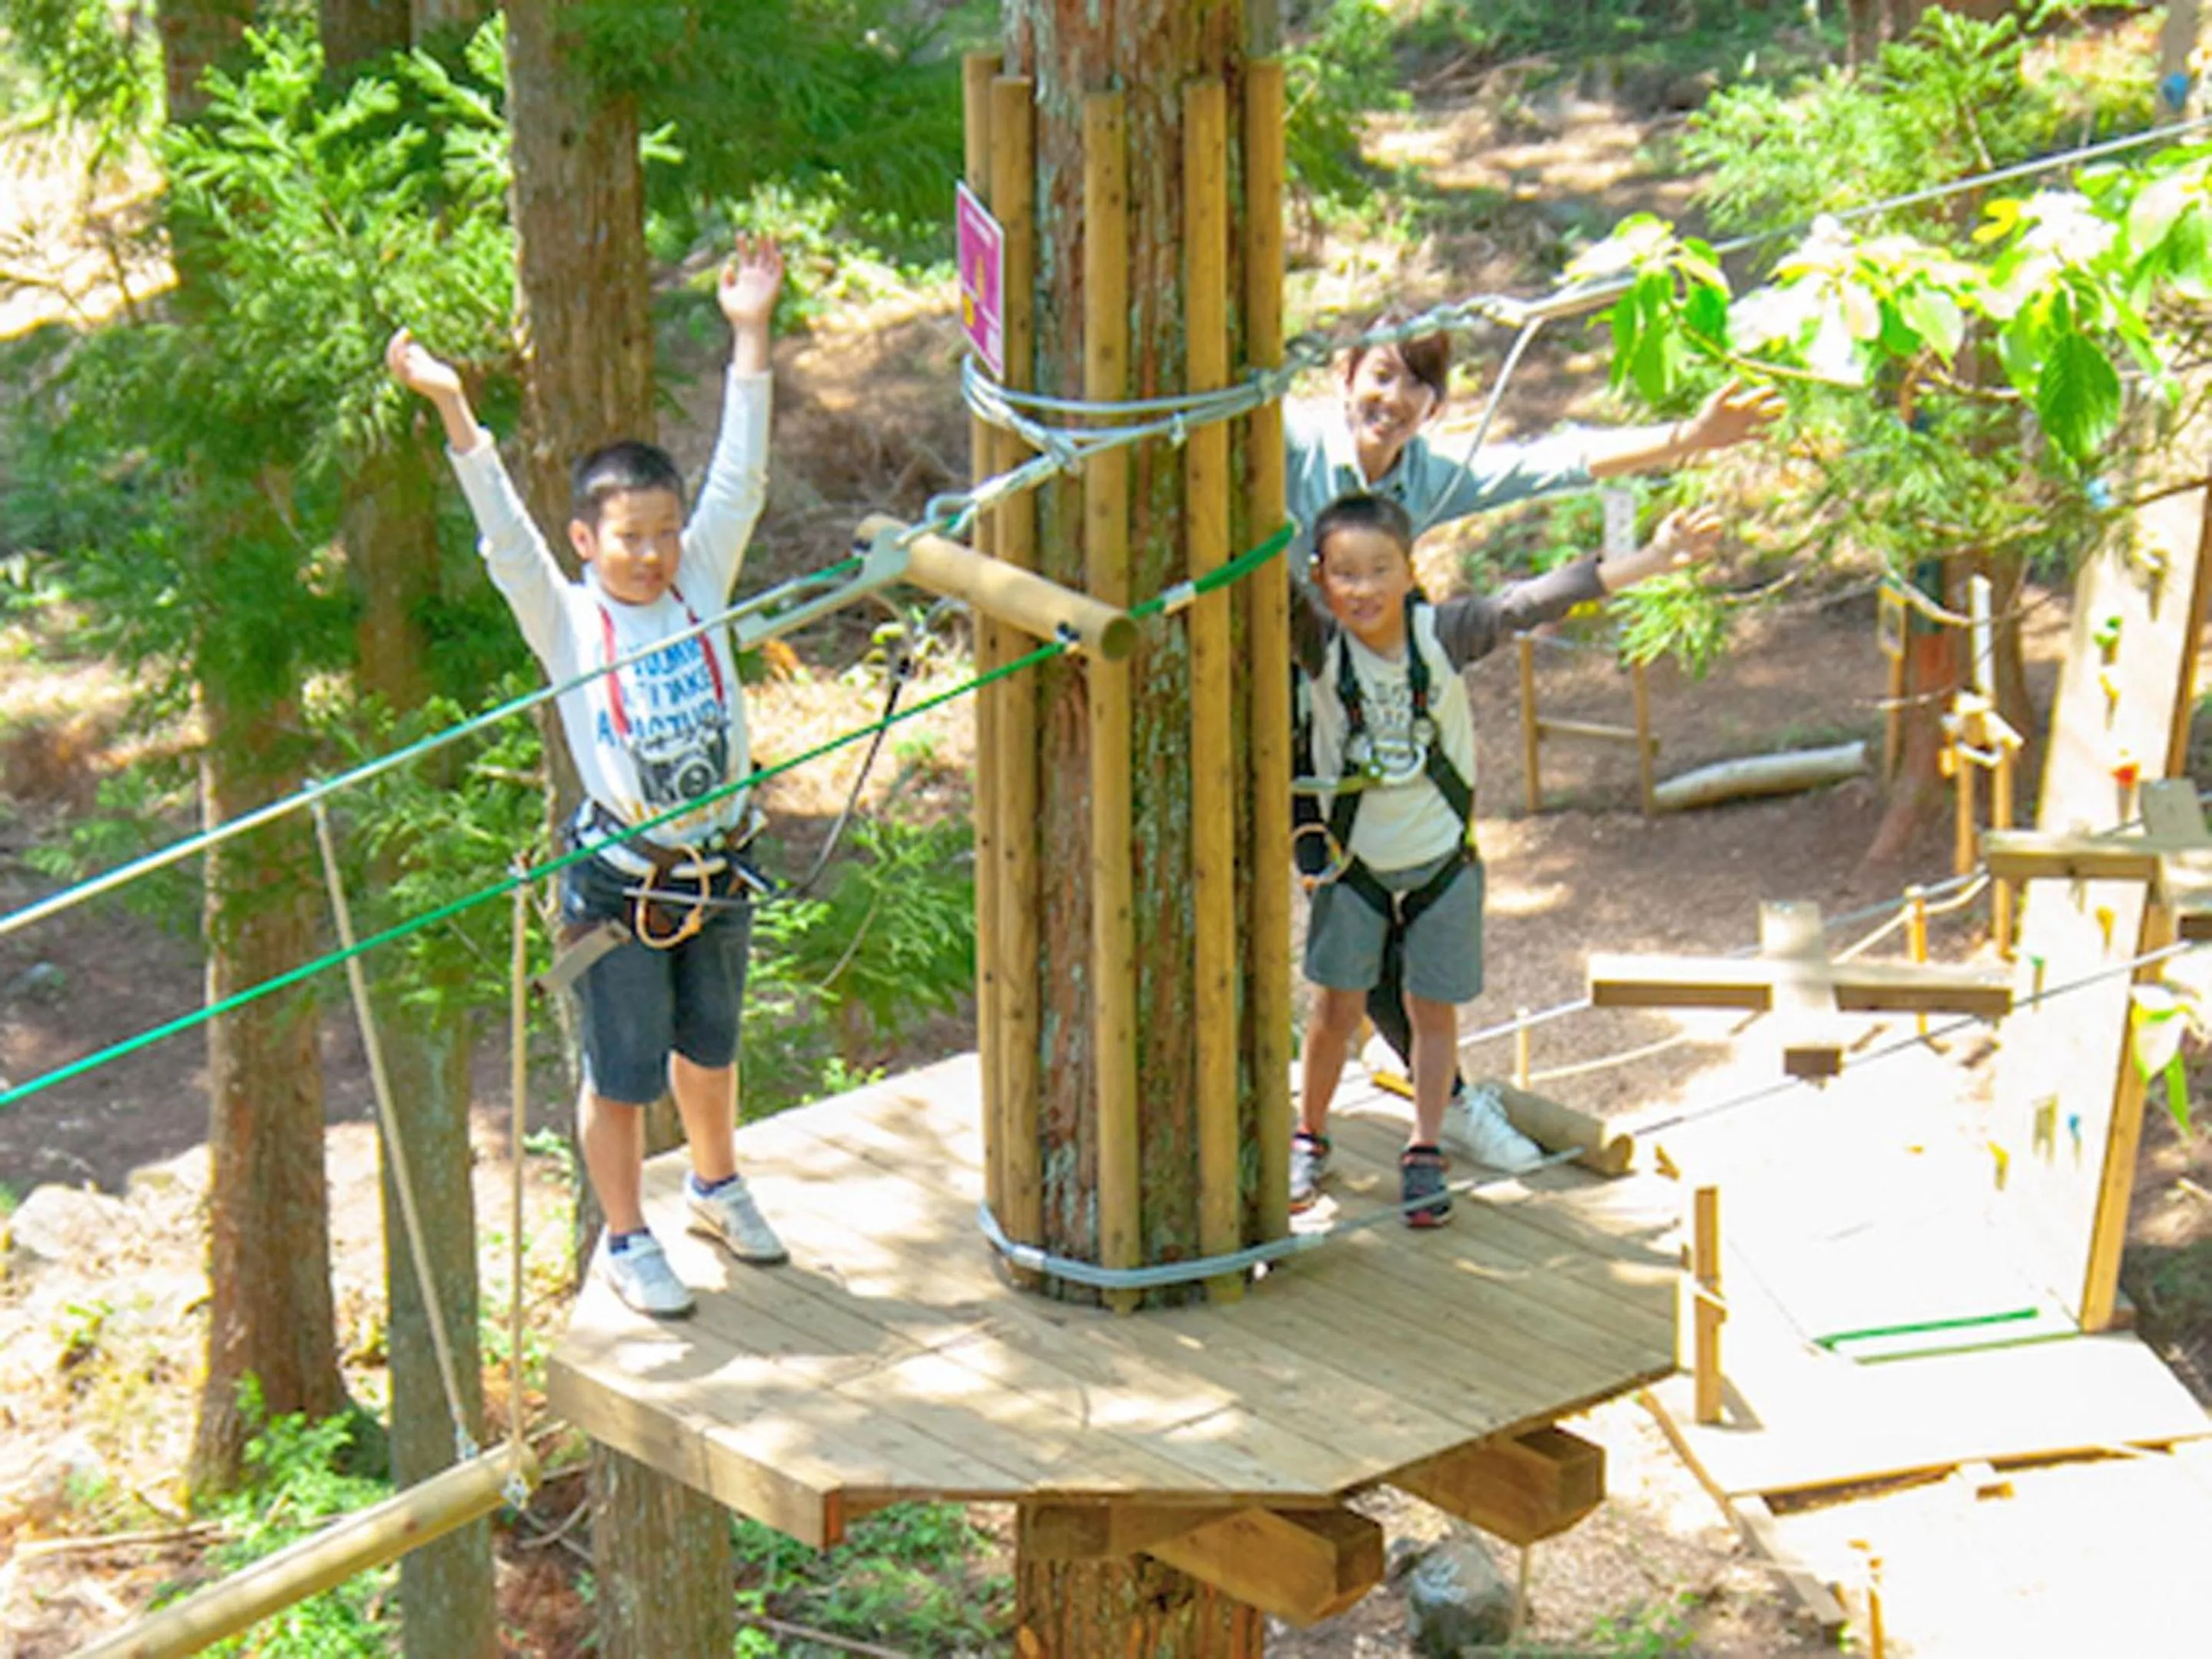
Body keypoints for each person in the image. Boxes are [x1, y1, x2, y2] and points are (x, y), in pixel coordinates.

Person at [387, 235, 789, 1320]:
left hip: (718, 865)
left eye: (664, 534)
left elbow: (740, 476)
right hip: (622, 882)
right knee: (621, 1075)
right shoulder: (570, 618)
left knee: (709, 1048)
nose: (653, 555)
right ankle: (625, 1236)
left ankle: (715, 1184)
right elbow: (506, 538)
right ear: (588, 540)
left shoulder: (702, 579)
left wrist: (749, 332)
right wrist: (454, 412)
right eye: (629, 539)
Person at [1284, 314, 1777, 1170]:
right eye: (1381, 376)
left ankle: (1441, 1111)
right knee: (1335, 952)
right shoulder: (1294, 444)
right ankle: (1310, 1124)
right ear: (1346, 376)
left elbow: (1554, 464)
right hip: (1281, 679)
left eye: (1414, 386)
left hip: (1353, 720)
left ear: (1434, 407)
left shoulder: (1428, 486)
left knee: (1384, 921)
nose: (1392, 400)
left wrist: (1685, 441)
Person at [1291, 492, 1721, 1224]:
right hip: (1353, 865)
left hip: (1440, 863)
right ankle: (1311, 1133)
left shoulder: (1442, 634)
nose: (1361, 589)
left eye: (1379, 570)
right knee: (1336, 1008)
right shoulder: (1320, 649)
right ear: (1320, 579)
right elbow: (1268, 583)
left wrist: (1653, 559)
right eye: (1344, 574)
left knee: (1434, 1011)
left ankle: (1426, 1145)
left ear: (1409, 572)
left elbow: (1528, 602)